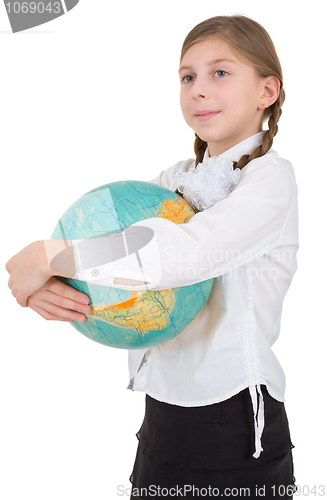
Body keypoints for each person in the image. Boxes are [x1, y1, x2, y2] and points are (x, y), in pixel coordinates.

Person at [6, 14, 299, 499]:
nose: (198, 89)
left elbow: (180, 253)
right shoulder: (172, 180)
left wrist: (53, 256)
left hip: (234, 419)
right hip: (162, 412)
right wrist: (52, 288)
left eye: (220, 73)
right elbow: (118, 249)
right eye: (188, 77)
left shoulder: (270, 181)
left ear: (267, 91)